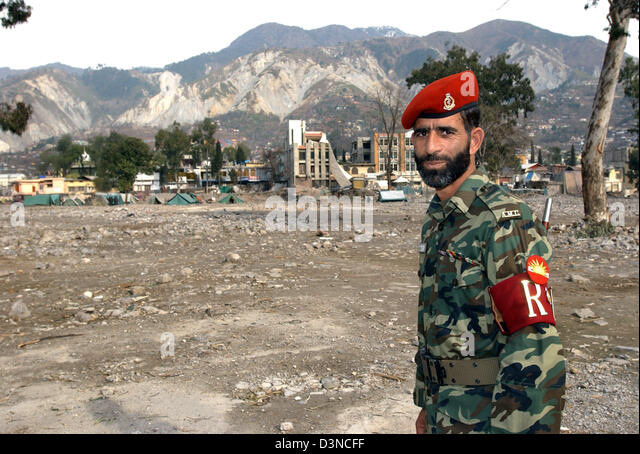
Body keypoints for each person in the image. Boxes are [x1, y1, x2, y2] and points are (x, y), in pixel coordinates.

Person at [402, 71, 566, 434]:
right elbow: (443, 327)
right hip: (445, 413)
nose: (431, 147)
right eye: (421, 133)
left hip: (487, 419)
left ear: (474, 140)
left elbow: (534, 346)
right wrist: (428, 405)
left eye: (446, 132)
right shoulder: (437, 220)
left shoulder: (503, 221)